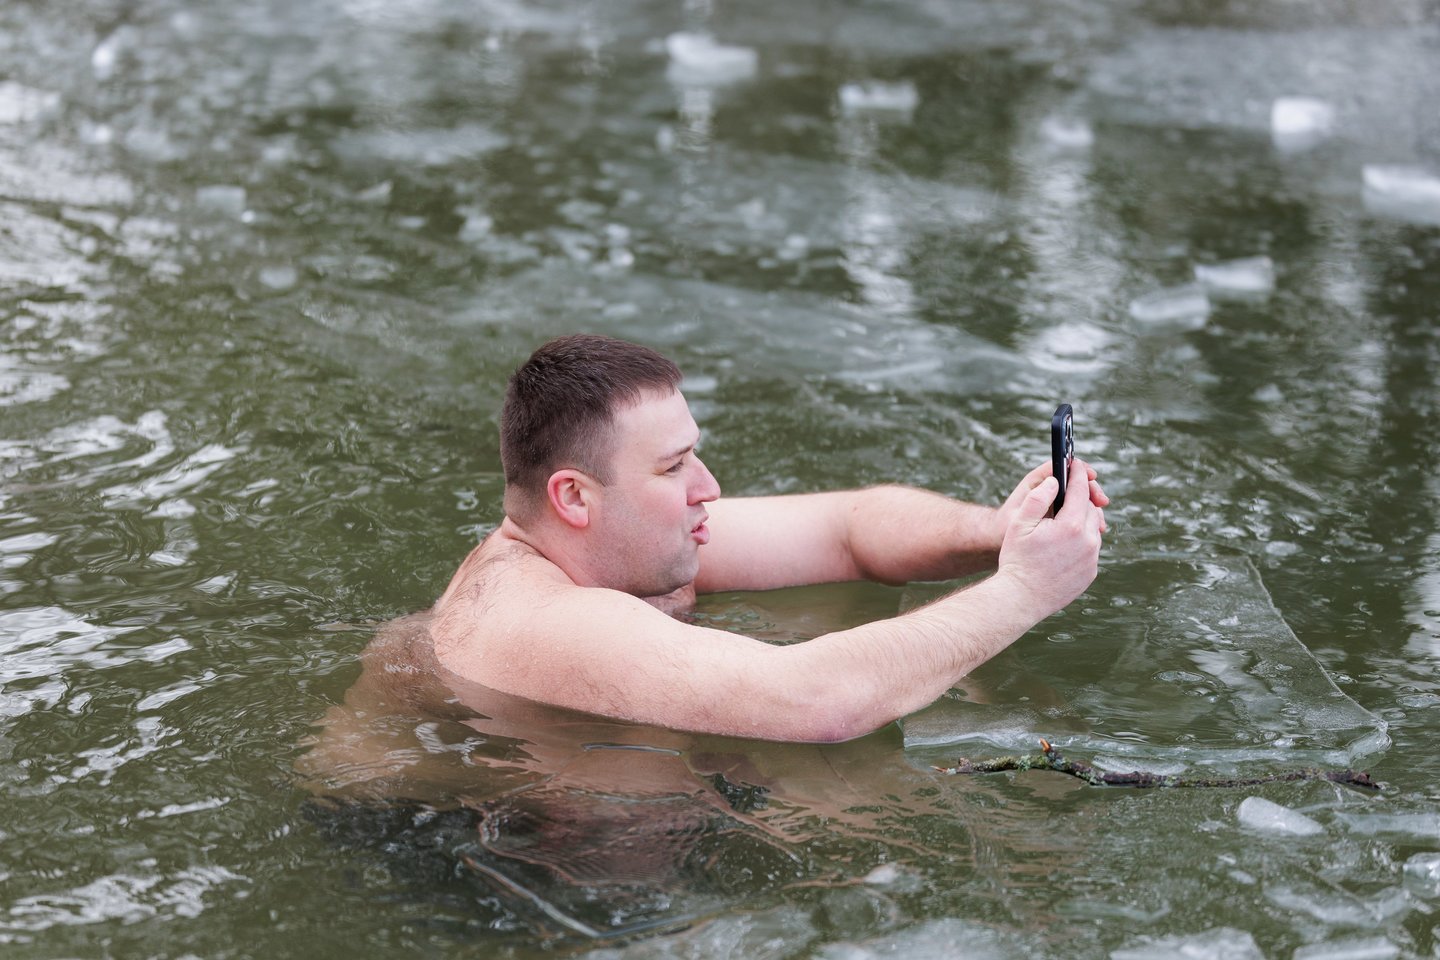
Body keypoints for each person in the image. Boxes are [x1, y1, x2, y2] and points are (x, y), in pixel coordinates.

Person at [428, 333, 1108, 743]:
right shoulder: (536, 617)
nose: (709, 487)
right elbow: (816, 703)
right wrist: (1025, 589)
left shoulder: (620, 543)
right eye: (673, 467)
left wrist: (994, 532)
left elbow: (846, 530)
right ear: (574, 496)